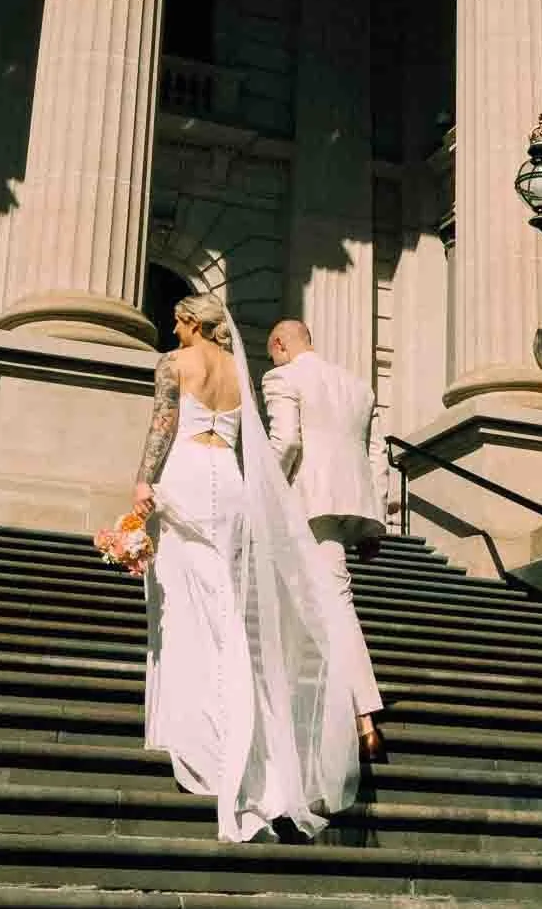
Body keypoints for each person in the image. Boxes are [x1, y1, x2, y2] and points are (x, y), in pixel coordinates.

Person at [130, 294, 363, 842]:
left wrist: (143, 479)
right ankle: (248, 732)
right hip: (229, 489)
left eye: (177, 321)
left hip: (185, 475)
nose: (174, 328)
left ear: (190, 323)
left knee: (181, 605)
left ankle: (199, 731)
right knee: (227, 609)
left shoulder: (173, 362)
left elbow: (162, 426)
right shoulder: (240, 370)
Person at [263, 319, 387, 759]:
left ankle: (362, 715)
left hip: (305, 501)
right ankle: (349, 711)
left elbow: (286, 443)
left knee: (333, 603)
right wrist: (376, 522)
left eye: (271, 350)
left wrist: (261, 492)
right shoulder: (358, 386)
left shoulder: (281, 376)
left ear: (279, 344)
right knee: (325, 599)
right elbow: (377, 453)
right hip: (348, 501)